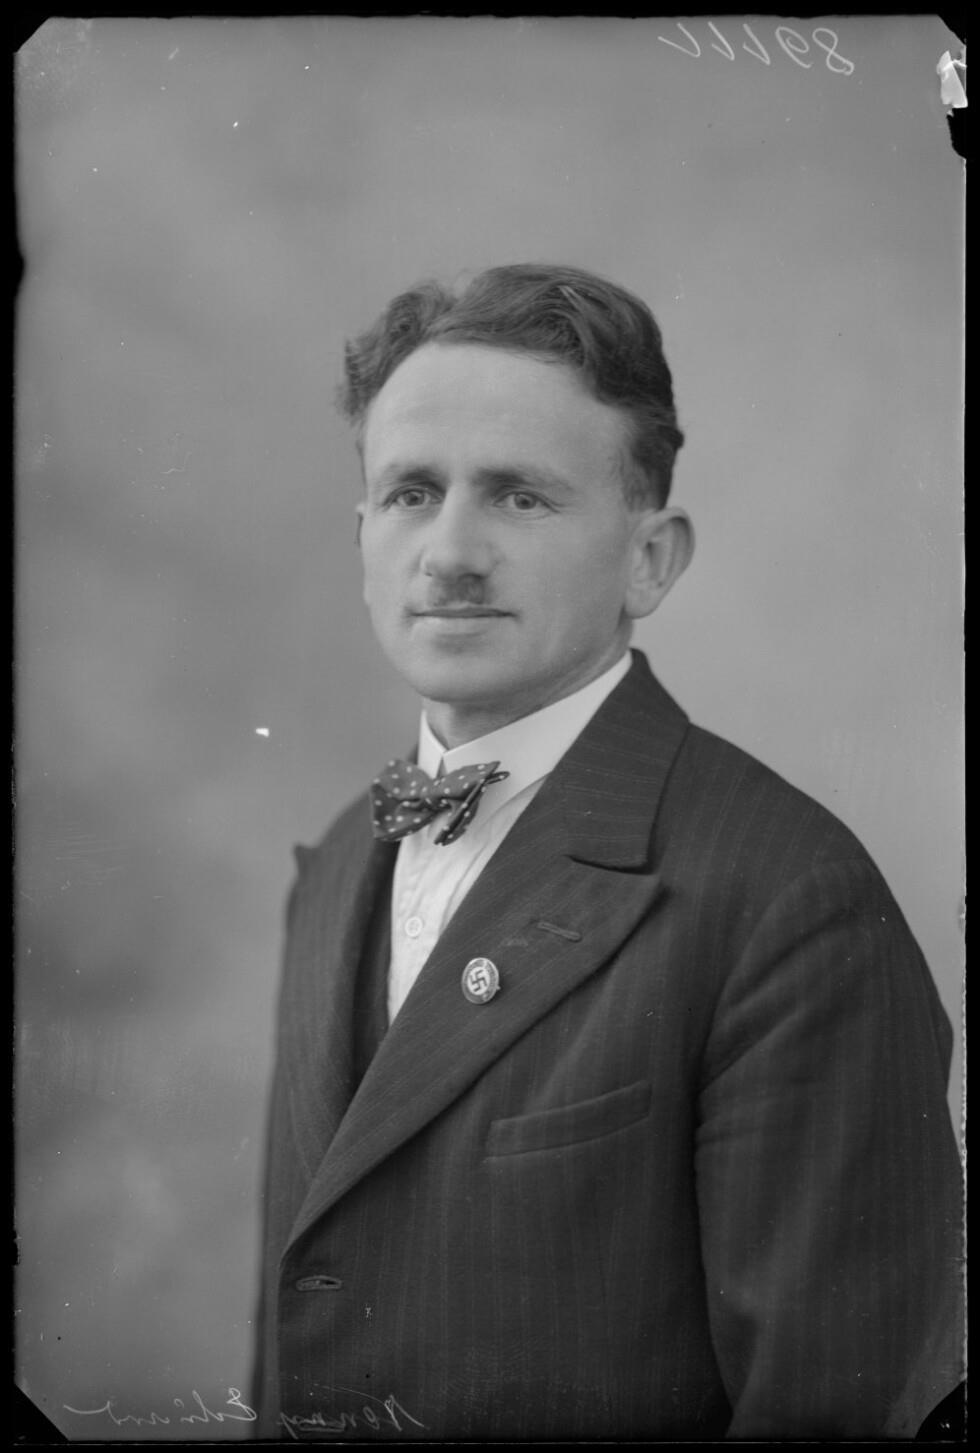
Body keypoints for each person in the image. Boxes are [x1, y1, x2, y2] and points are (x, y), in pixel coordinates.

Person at [250, 264, 963, 1440]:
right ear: (363, 534)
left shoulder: (791, 903)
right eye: (411, 492)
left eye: (520, 497)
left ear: (650, 559)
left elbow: (837, 1403)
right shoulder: (335, 864)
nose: (449, 553)